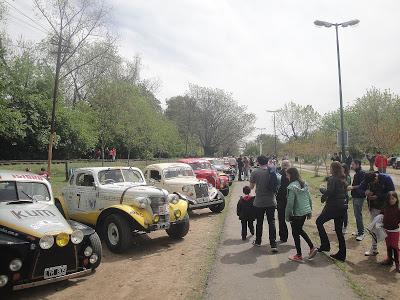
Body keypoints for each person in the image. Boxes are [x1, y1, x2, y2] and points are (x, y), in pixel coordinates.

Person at [316, 161, 348, 261]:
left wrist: (322, 189)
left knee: (319, 222)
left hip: (333, 207)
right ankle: (342, 254)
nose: (329, 169)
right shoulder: (343, 179)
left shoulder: (332, 179)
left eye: (330, 168)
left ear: (333, 169)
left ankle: (325, 245)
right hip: (342, 207)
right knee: (339, 231)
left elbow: (330, 191)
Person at [285, 167, 318, 262]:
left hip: (296, 214)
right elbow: (309, 198)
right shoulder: (303, 184)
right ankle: (312, 247)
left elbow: (290, 203)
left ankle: (299, 255)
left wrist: (287, 215)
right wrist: (309, 211)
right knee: (299, 230)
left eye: (287, 174)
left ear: (291, 175)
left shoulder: (291, 186)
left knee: (296, 233)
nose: (286, 176)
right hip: (304, 212)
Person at [359, 172, 395, 256]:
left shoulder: (386, 178)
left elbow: (392, 193)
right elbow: (360, 188)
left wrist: (378, 196)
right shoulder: (368, 178)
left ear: (376, 177)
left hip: (386, 209)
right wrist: (365, 192)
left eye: (373, 182)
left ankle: (392, 254)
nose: (371, 184)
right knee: (374, 228)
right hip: (374, 208)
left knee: (388, 230)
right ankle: (374, 249)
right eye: (369, 184)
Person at [250, 155, 278, 252]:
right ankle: (273, 244)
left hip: (259, 201)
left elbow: (251, 187)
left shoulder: (255, 172)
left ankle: (258, 241)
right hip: (271, 200)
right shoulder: (272, 170)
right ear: (267, 162)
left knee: (259, 222)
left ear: (258, 162)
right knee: (272, 222)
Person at [380, 191, 400, 272]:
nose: (391, 200)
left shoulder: (398, 210)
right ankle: (389, 260)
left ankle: (398, 264)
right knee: (388, 246)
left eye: (393, 198)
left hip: (395, 231)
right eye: (389, 199)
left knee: (394, 247)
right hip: (386, 230)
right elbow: (381, 215)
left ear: (396, 199)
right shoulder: (385, 208)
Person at [348, 159, 366, 241]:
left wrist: (352, 187)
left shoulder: (362, 173)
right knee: (356, 214)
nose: (352, 166)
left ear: (358, 164)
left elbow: (362, 185)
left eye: (353, 164)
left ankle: (361, 233)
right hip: (355, 196)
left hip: (359, 197)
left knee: (358, 215)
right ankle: (359, 230)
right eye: (351, 164)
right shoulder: (357, 173)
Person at [276, 160, 290, 243]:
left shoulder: (278, 174)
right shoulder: (293, 174)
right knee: (293, 219)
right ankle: (296, 236)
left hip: (281, 198)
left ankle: (283, 236)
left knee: (281, 218)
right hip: (289, 198)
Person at [342, 163, 351, 234]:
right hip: (339, 196)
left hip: (345, 196)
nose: (341, 169)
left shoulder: (347, 177)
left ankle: (345, 227)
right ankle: (341, 225)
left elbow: (347, 187)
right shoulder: (340, 176)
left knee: (344, 212)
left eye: (342, 168)